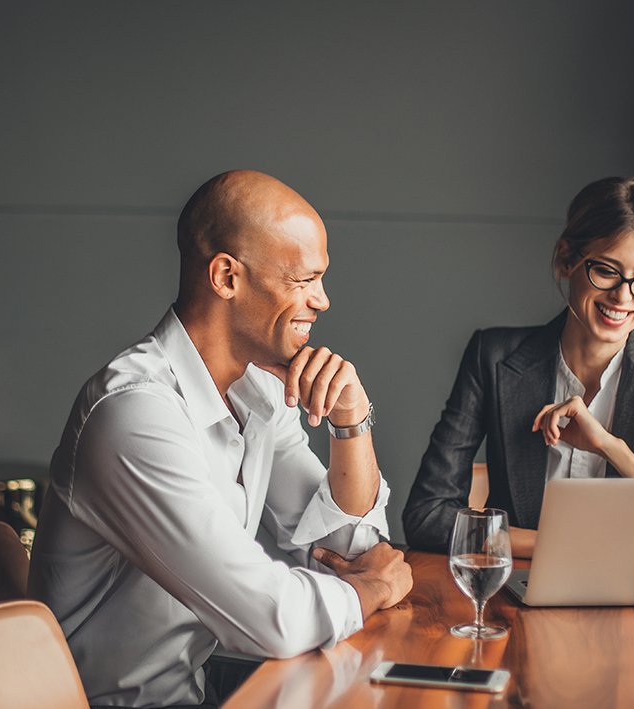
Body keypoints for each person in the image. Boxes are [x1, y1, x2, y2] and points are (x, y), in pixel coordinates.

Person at [28, 170, 412, 708]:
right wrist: (371, 589)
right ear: (226, 277)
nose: (322, 301)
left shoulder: (254, 391)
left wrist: (351, 421)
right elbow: (270, 618)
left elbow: (353, 548)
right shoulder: (135, 413)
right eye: (303, 281)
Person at [403, 176, 634, 558]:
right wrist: (552, 546)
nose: (623, 297)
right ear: (565, 260)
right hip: (520, 592)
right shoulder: (492, 356)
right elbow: (426, 516)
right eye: (606, 271)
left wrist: (612, 449)